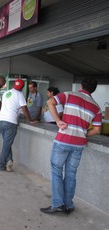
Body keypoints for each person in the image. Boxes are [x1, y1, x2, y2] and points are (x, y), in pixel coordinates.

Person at [40, 78, 102, 215]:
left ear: (81, 85)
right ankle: (68, 205)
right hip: (79, 144)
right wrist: (82, 133)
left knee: (56, 171)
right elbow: (97, 130)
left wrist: (58, 121)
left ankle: (57, 204)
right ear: (93, 89)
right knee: (71, 174)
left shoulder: (69, 94)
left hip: (63, 140)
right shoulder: (96, 107)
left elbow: (50, 102)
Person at [0, 79, 34, 172]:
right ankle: (1, 165)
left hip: (1, 120)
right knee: (6, 144)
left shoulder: (6, 93)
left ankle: (9, 160)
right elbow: (24, 109)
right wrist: (30, 120)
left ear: (14, 85)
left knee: (6, 142)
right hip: (10, 122)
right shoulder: (19, 94)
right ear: (22, 87)